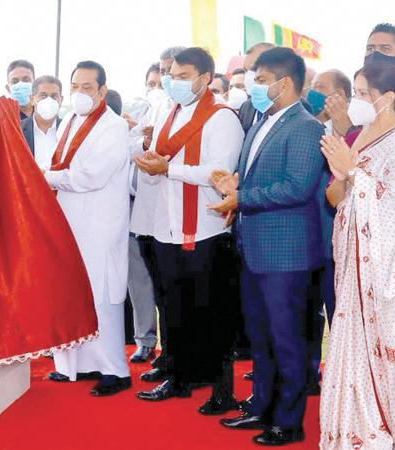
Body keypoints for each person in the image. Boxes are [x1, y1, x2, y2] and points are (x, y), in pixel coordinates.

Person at [212, 47, 325, 446]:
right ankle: (262, 407)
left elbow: (297, 187)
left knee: (287, 339)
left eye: (260, 80)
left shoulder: (307, 128)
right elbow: (252, 177)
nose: (254, 88)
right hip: (254, 248)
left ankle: (289, 421)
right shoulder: (263, 120)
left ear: (285, 82)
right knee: (260, 337)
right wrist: (233, 185)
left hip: (286, 254)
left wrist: (242, 197)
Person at [318, 62, 395, 450]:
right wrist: (344, 174)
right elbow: (333, 197)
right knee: (348, 355)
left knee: (379, 359)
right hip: (352, 269)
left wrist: (355, 174)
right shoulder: (360, 136)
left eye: (363, 95)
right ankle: (346, 436)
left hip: (386, 272)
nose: (356, 103)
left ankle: (378, 437)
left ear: (388, 97)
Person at [132, 47, 243, 415]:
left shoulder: (222, 117)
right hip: (167, 225)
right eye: (172, 75)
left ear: (205, 78)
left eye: (182, 76)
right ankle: (179, 376)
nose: (174, 82)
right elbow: (163, 157)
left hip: (206, 228)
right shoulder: (168, 108)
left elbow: (219, 171)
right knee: (175, 307)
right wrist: (150, 157)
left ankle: (221, 388)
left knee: (211, 311)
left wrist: (168, 170)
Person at [47, 61, 132, 397]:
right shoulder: (68, 120)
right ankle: (75, 366)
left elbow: (90, 176)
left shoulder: (114, 127)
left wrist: (45, 177)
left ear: (102, 91)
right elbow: (60, 163)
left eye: (87, 87)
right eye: (75, 87)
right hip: (68, 222)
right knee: (70, 294)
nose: (79, 93)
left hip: (99, 225)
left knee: (102, 295)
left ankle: (114, 369)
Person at [131, 49, 184, 375]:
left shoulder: (203, 112)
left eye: (173, 72)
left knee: (177, 294)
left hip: (181, 217)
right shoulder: (159, 106)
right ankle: (164, 355)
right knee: (161, 290)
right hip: (150, 216)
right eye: (163, 71)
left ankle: (177, 359)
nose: (166, 79)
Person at [305, 69, 352, 396]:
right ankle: (309, 374)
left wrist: (341, 126)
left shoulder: (353, 133)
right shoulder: (306, 127)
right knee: (306, 313)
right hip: (306, 239)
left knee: (339, 312)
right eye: (313, 87)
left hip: (336, 240)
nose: (314, 93)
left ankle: (344, 379)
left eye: (321, 88)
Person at [326, 23, 395, 143]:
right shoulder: (359, 91)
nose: (375, 55)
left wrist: (347, 129)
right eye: (370, 49)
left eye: (385, 49)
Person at [126, 62, 166, 365]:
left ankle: (171, 347)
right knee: (138, 279)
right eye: (151, 83)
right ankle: (144, 340)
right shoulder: (137, 116)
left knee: (166, 281)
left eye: (161, 82)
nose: (156, 88)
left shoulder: (173, 117)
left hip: (164, 211)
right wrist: (139, 137)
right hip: (131, 208)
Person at [21, 75, 63, 169]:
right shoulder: (17, 130)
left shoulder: (69, 130)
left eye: (54, 96)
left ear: (61, 100)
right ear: (32, 99)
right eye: (43, 96)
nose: (49, 100)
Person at [238, 42, 276, 133]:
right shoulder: (246, 107)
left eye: (255, 69)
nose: (249, 76)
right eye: (245, 71)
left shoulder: (295, 108)